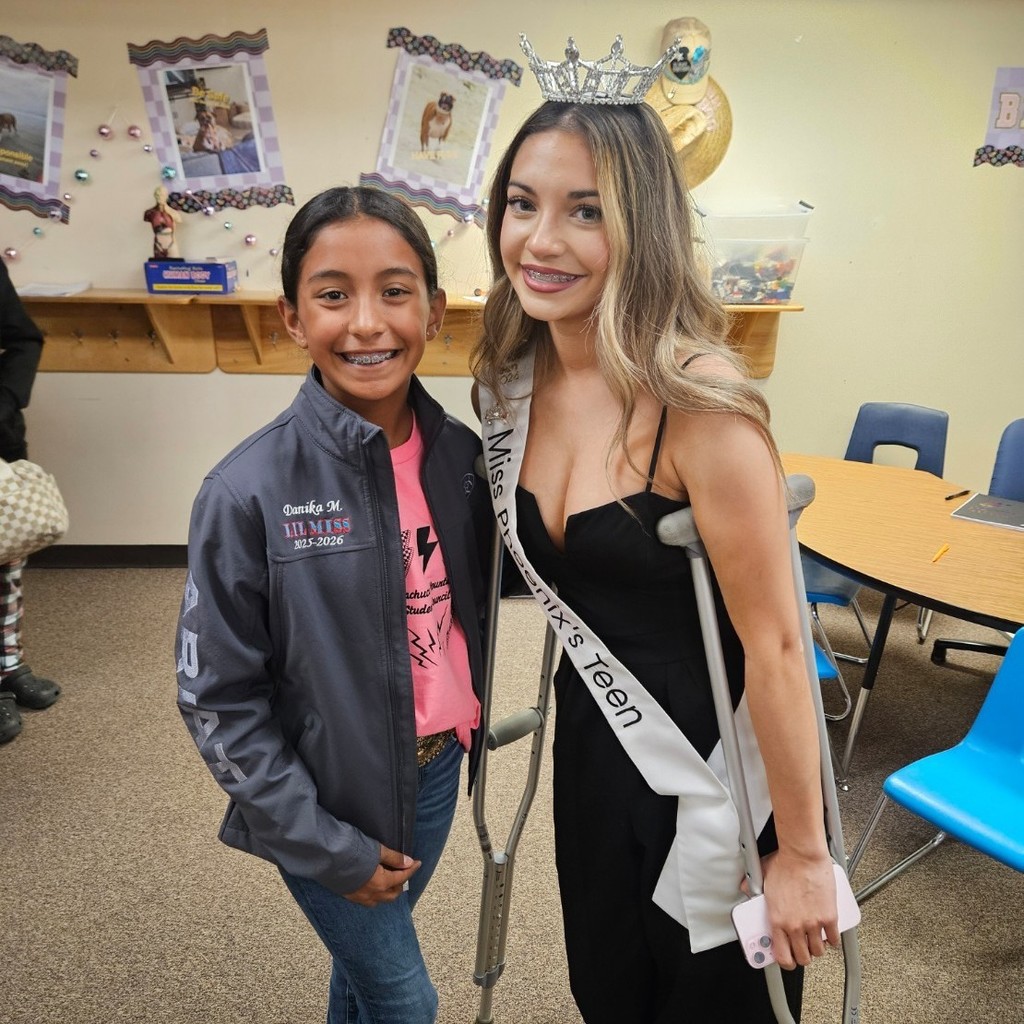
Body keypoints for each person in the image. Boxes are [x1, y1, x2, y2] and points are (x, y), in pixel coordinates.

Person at [471, 36, 838, 1023]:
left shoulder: (699, 402)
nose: (539, 242)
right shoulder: (515, 374)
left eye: (584, 210)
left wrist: (801, 852)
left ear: (642, 224)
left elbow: (775, 640)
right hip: (596, 742)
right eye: (522, 203)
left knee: (717, 1002)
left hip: (718, 758)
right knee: (613, 987)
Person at [175, 186, 491, 1023]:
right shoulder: (246, 491)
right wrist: (321, 841)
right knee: (404, 999)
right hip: (324, 795)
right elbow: (216, 697)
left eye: (395, 290)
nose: (366, 324)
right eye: (331, 294)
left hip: (433, 774)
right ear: (290, 316)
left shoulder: (461, 457)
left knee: (362, 978)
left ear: (435, 309)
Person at [0, 260, 61, 746]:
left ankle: (8, 665)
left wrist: (5, 400)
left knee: (7, 566)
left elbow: (24, 338)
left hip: (1, 443)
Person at [143, 185, 183, 259]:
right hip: (158, 242)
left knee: (174, 267)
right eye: (157, 195)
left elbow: (178, 220)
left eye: (161, 195)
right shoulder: (149, 213)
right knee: (159, 267)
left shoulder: (173, 212)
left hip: (171, 242)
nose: (159, 197)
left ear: (166, 196)